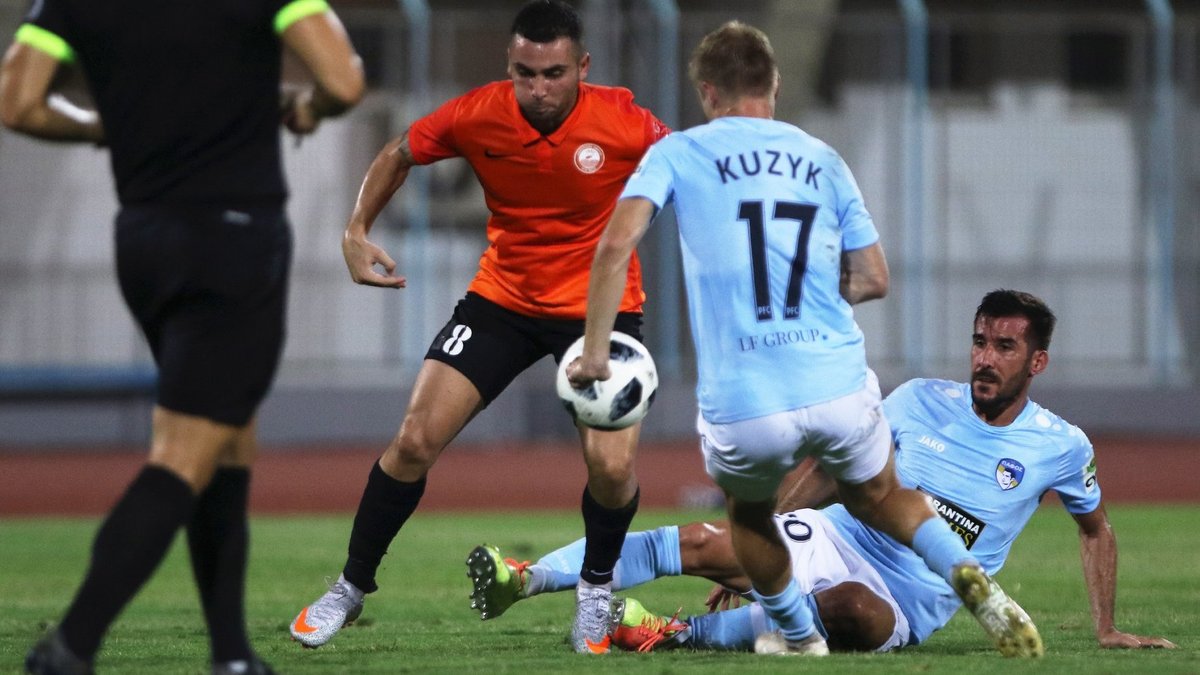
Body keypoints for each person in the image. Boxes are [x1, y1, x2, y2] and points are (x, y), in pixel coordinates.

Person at [561, 21, 1039, 657]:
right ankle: (966, 572)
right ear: (775, 87)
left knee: (751, 518)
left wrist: (596, 351)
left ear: (707, 92)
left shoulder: (677, 151)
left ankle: (799, 635)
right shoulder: (823, 158)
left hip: (747, 394)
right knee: (885, 495)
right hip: (835, 377)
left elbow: (615, 245)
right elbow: (874, 278)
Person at [474, 290, 1178, 654]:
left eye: (1004, 347)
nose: (985, 358)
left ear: (1037, 362)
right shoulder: (916, 399)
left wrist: (1107, 627)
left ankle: (670, 632)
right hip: (839, 535)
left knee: (852, 611)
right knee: (701, 541)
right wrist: (764, 537)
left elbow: (1096, 528)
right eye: (979, 341)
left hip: (909, 597)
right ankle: (525, 577)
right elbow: (835, 469)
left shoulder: (1060, 445)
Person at [287, 0, 669, 655]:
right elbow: (397, 152)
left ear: (583, 67)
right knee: (413, 440)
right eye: (526, 73)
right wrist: (355, 230)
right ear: (509, 66)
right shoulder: (477, 113)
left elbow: (692, 167)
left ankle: (595, 592)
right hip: (503, 301)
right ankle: (348, 589)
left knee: (612, 466)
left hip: (599, 310)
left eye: (554, 73)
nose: (539, 88)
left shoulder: (627, 121)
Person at [0, 1, 364, 674]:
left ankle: (231, 655)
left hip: (143, 238)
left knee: (227, 438)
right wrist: (308, 109)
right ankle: (71, 644)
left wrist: (98, 126)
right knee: (184, 453)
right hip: (233, 240)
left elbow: (18, 103)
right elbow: (343, 81)